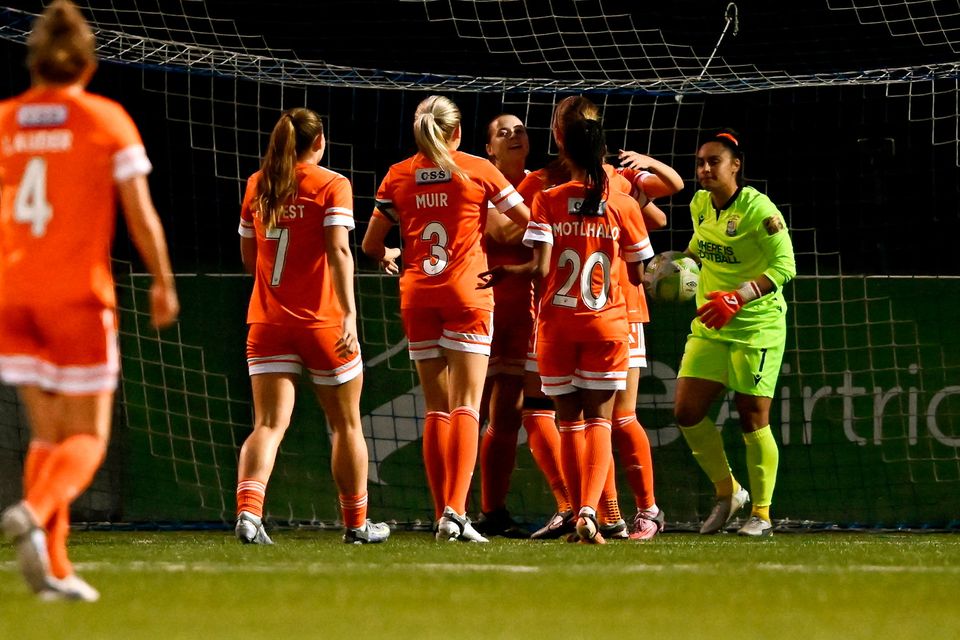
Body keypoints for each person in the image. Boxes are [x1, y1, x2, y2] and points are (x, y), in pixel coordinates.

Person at [0, 0, 179, 601]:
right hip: (76, 296)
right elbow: (141, 215)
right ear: (87, 62)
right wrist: (162, 280)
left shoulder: (4, 120)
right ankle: (32, 510)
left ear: (33, 61)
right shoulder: (105, 120)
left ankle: (52, 568)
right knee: (89, 439)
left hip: (13, 295)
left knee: (47, 437)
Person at [362, 95, 530, 542]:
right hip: (468, 293)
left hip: (418, 295)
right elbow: (529, 222)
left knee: (435, 408)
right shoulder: (477, 169)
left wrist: (390, 255)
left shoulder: (398, 174)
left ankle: (443, 513)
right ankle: (456, 512)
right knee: (467, 407)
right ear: (456, 132)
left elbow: (370, 245)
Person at [235, 107, 389, 546]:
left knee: (268, 424)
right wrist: (350, 315)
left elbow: (250, 257)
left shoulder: (258, 183)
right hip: (323, 323)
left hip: (268, 321)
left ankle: (249, 514)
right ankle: (356, 525)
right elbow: (340, 251)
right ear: (319, 142)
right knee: (346, 425)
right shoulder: (332, 184)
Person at [522, 117, 653, 544]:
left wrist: (507, 270)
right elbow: (638, 271)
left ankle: (579, 509)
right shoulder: (623, 203)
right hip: (608, 324)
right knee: (601, 419)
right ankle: (590, 512)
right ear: (603, 153)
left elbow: (540, 267)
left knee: (567, 423)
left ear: (566, 154)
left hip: (557, 325)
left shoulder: (547, 199)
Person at [676, 128, 796, 537]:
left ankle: (761, 514)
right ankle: (730, 492)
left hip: (755, 325)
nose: (705, 169)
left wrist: (738, 297)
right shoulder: (699, 204)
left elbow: (785, 267)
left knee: (752, 416)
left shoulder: (759, 210)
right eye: (700, 162)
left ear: (735, 165)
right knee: (686, 412)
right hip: (710, 325)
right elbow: (699, 246)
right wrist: (675, 266)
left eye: (714, 161)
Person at [474, 113, 570, 538]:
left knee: (514, 411)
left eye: (520, 130)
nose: (514, 136)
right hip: (487, 302)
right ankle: (463, 509)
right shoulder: (483, 181)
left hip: (529, 307)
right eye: (502, 132)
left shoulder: (538, 182)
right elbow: (502, 231)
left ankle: (494, 511)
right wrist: (541, 198)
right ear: (489, 148)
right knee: (484, 409)